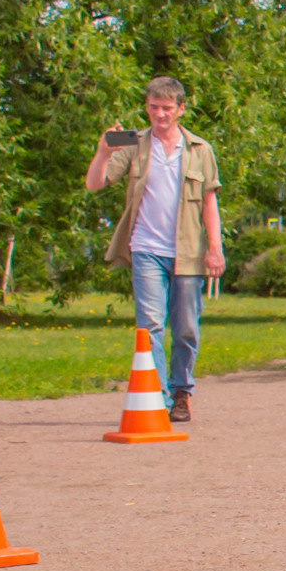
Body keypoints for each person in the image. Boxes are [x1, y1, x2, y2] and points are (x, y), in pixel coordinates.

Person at [84, 77, 224, 424]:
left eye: (166, 108)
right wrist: (104, 151)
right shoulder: (132, 144)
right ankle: (159, 399)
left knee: (186, 328)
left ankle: (181, 392)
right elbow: (94, 184)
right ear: (146, 108)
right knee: (149, 326)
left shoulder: (199, 149)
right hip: (145, 247)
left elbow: (210, 202)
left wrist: (215, 249)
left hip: (188, 250)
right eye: (152, 107)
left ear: (180, 109)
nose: (159, 114)